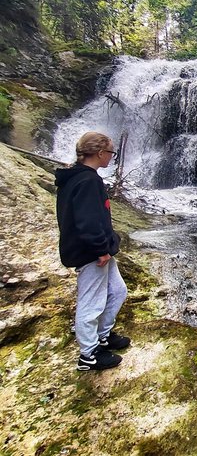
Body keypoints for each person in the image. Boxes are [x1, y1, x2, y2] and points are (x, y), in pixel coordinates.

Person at [55, 132, 130, 371]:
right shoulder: (87, 181)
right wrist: (101, 250)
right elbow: (87, 222)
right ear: (99, 153)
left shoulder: (80, 177)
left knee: (117, 291)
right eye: (111, 153)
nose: (111, 157)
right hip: (91, 252)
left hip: (97, 248)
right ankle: (88, 355)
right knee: (91, 302)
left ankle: (102, 335)